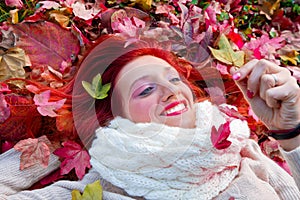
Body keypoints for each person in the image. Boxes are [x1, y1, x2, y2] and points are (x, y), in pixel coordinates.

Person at [0, 35, 299, 200]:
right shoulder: (101, 190)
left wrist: (290, 133)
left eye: (174, 79)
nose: (172, 91)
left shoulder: (240, 150)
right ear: (111, 120)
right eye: (145, 90)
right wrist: (48, 149)